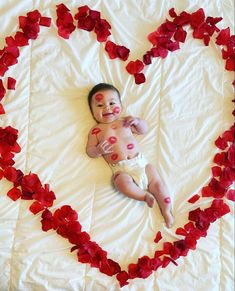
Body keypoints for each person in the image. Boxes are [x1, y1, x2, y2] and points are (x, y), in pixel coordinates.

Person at [86, 83, 174, 228]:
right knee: (120, 182)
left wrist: (138, 122)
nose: (107, 108)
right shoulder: (96, 131)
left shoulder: (125, 122)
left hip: (140, 163)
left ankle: (166, 211)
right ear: (92, 112)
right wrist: (98, 151)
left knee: (158, 183)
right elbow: (90, 150)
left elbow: (143, 130)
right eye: (100, 105)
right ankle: (143, 196)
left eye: (112, 103)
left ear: (120, 105)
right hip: (121, 170)